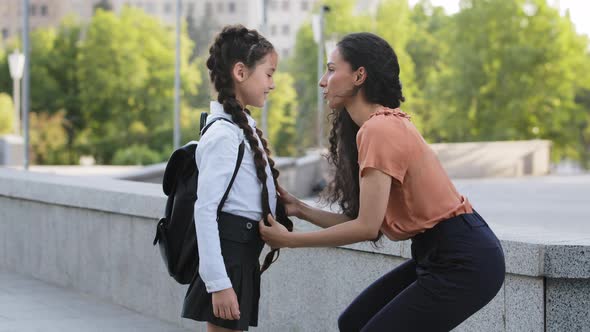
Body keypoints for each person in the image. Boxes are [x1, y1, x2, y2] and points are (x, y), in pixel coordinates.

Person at [259, 32, 505, 332]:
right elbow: (360, 220)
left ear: (359, 75)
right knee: (353, 323)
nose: (323, 81)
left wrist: (290, 240)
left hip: (464, 260)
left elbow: (366, 228)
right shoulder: (376, 126)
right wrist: (299, 209)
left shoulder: (379, 130)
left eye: (332, 69)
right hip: (441, 253)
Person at [182, 25, 292, 332]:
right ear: (240, 72)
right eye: (268, 74)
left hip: (240, 255)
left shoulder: (239, 129)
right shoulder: (223, 135)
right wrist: (218, 283)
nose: (272, 84)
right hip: (228, 258)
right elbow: (205, 210)